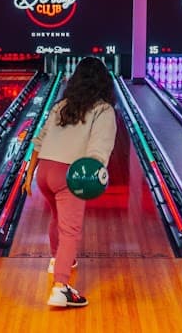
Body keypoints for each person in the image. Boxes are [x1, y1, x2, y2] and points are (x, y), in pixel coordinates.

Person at [23, 56, 117, 308]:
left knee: (57, 218)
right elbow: (98, 150)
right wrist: (95, 177)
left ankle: (58, 260)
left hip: (45, 171)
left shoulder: (61, 105)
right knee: (71, 230)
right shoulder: (103, 110)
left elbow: (39, 141)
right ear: (104, 82)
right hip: (70, 172)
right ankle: (61, 287)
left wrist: (29, 174)